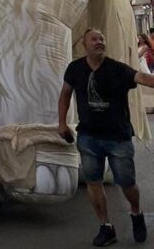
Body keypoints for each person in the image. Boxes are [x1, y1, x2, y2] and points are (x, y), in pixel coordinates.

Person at [58, 28, 154, 246]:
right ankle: (106, 226)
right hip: (88, 138)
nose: (99, 41)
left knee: (127, 183)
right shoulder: (75, 69)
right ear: (84, 44)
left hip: (118, 138)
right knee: (93, 182)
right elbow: (65, 94)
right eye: (94, 39)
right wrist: (62, 123)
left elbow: (142, 77)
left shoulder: (117, 69)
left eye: (102, 38)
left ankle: (136, 213)